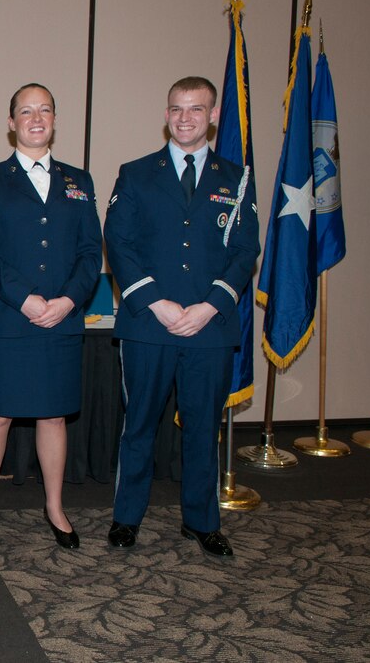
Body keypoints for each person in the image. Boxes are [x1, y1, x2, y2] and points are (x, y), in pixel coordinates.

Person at [104, 76, 259, 558]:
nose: (185, 117)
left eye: (196, 109)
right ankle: (126, 517)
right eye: (176, 109)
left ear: (213, 116)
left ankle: (201, 520)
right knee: (140, 426)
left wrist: (211, 305)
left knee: (201, 427)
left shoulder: (237, 179)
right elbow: (119, 243)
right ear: (166, 114)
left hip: (209, 328)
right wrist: (157, 302)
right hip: (149, 324)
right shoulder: (135, 173)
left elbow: (245, 250)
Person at [0, 83, 102, 551]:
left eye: (44, 110)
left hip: (62, 317)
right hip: (8, 317)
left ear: (55, 119)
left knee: (54, 417)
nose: (36, 118)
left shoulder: (79, 181)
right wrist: (24, 299)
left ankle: (55, 506)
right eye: (26, 111)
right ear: (11, 123)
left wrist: (68, 301)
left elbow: (90, 252)